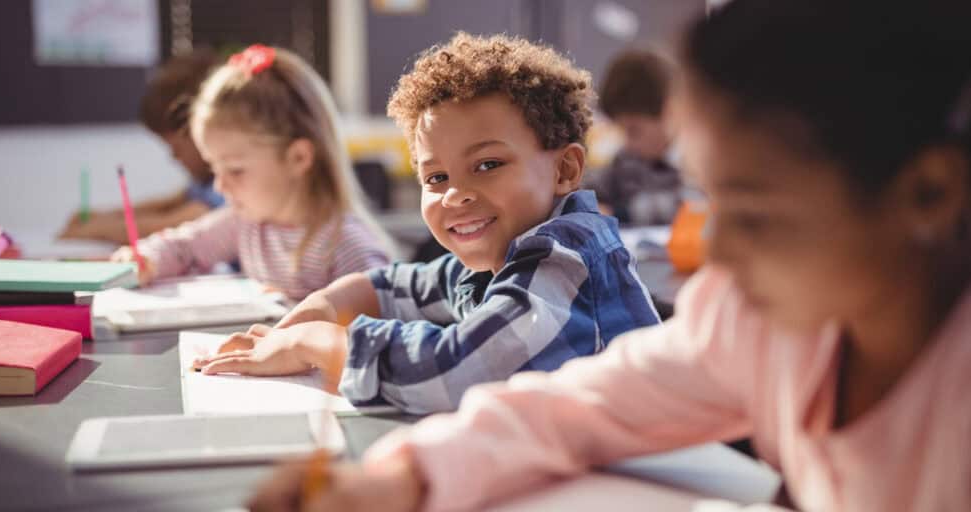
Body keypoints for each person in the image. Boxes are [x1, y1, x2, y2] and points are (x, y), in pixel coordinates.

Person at [246, 1, 971, 510]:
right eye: (710, 197)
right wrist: (404, 476)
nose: (718, 250)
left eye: (757, 212)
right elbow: (577, 408)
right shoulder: (756, 324)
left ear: (926, 195)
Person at [191, 33, 661, 414]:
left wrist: (318, 342)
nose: (454, 194)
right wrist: (321, 307)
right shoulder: (495, 255)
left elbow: (458, 373)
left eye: (487, 164)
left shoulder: (565, 260)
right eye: (435, 177)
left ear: (564, 170)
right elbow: (397, 286)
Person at [112, 45, 393, 301]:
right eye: (214, 168)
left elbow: (381, 332)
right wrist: (147, 259)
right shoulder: (247, 223)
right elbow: (184, 247)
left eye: (235, 170)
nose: (220, 186)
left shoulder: (346, 246)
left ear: (298, 158)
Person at [60, 49, 225, 244]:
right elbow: (169, 204)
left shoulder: (229, 178)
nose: (173, 157)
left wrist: (96, 229)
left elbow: (178, 223)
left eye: (176, 148)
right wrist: (106, 216)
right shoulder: (204, 181)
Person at [588, 47, 682, 225]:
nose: (628, 143)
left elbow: (685, 207)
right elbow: (594, 190)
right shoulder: (627, 159)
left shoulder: (694, 163)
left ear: (670, 114)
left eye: (634, 131)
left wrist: (618, 212)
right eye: (622, 131)